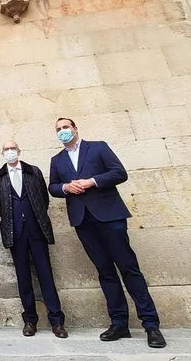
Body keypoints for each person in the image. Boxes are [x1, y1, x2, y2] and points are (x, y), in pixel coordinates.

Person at [48, 118, 166, 349]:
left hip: (109, 217)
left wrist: (92, 181)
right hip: (83, 221)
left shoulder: (98, 147)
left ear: (75, 129)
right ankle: (119, 322)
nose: (62, 131)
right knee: (105, 271)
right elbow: (53, 187)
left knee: (129, 268)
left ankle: (151, 324)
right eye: (58, 129)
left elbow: (119, 173)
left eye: (65, 127)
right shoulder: (57, 160)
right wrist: (65, 187)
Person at [0, 140, 67, 339]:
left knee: (46, 275)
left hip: (36, 230)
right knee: (23, 278)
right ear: (2, 153)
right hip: (15, 233)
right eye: (6, 149)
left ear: (19, 151)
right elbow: (0, 204)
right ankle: (30, 320)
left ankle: (57, 320)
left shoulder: (33, 171)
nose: (10, 151)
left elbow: (43, 198)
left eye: (13, 148)